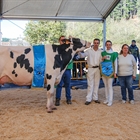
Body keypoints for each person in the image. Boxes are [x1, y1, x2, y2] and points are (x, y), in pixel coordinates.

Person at [78, 38, 102, 105]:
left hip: (98, 69)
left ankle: (95, 98)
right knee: (90, 84)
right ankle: (88, 99)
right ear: (93, 43)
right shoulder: (89, 51)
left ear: (99, 44)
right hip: (91, 68)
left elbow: (101, 60)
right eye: (95, 43)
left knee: (97, 84)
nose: (96, 44)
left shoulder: (101, 51)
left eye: (97, 43)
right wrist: (79, 51)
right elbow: (82, 55)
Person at [55, 36, 73, 106]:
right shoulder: (57, 49)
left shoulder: (69, 48)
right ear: (59, 41)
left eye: (65, 40)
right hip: (60, 69)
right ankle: (57, 99)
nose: (63, 41)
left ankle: (68, 98)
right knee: (59, 84)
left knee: (68, 85)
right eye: (62, 40)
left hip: (68, 68)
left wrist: (70, 40)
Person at [101, 40, 118, 106]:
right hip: (104, 71)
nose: (108, 46)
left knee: (110, 86)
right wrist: (102, 58)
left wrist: (115, 72)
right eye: (107, 44)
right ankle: (106, 99)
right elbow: (101, 61)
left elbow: (115, 63)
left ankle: (110, 100)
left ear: (111, 45)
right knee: (105, 86)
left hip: (111, 72)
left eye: (109, 44)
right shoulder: (103, 53)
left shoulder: (114, 54)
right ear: (105, 45)